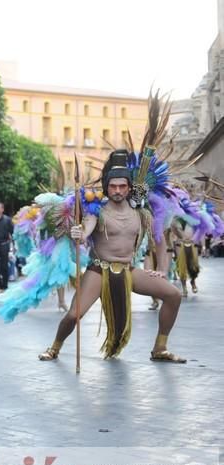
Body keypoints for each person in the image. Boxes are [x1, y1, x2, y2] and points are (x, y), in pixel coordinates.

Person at [38, 150, 184, 363]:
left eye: (122, 186)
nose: (117, 191)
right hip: (99, 271)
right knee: (73, 314)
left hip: (128, 270)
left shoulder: (142, 214)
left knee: (173, 295)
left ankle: (160, 348)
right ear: (106, 187)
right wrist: (78, 234)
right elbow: (86, 231)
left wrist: (162, 269)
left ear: (129, 187)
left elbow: (160, 240)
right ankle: (54, 348)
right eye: (113, 186)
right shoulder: (96, 211)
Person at [172, 218, 200, 297]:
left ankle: (193, 282)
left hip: (193, 244)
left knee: (194, 266)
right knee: (181, 267)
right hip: (180, 244)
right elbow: (171, 232)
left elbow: (200, 231)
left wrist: (203, 245)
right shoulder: (176, 218)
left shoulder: (194, 217)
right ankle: (184, 288)